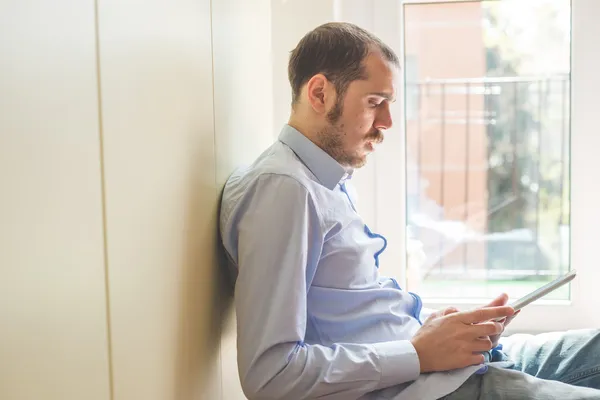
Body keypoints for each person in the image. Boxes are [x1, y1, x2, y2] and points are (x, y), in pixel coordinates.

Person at [219, 22, 600, 400]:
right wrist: (417, 353)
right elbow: (270, 377)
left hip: (443, 366)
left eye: (389, 104)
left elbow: (356, 313)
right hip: (431, 386)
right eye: (374, 102)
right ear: (319, 93)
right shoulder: (284, 190)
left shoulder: (323, 179)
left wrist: (447, 330)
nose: (386, 122)